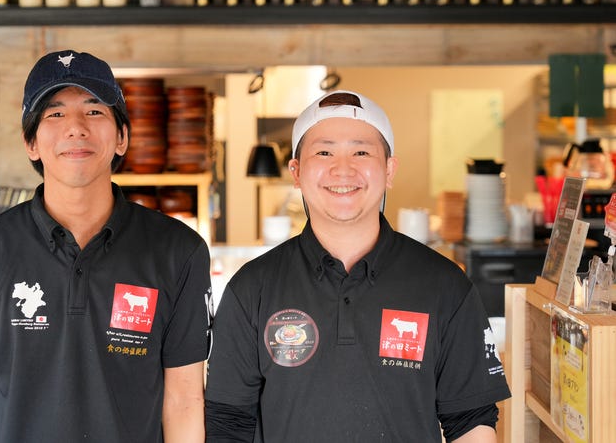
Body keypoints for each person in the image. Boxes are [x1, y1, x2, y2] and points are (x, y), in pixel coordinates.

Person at [0, 50, 212, 443]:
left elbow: (184, 400)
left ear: (122, 138)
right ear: (31, 143)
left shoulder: (179, 251)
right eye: (55, 114)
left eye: (94, 111)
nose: (76, 127)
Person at [205, 90, 511, 442]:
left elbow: (471, 419)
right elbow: (228, 423)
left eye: (361, 152)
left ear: (389, 170)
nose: (343, 169)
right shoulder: (251, 288)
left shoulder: (445, 284)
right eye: (324, 152)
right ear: (296, 171)